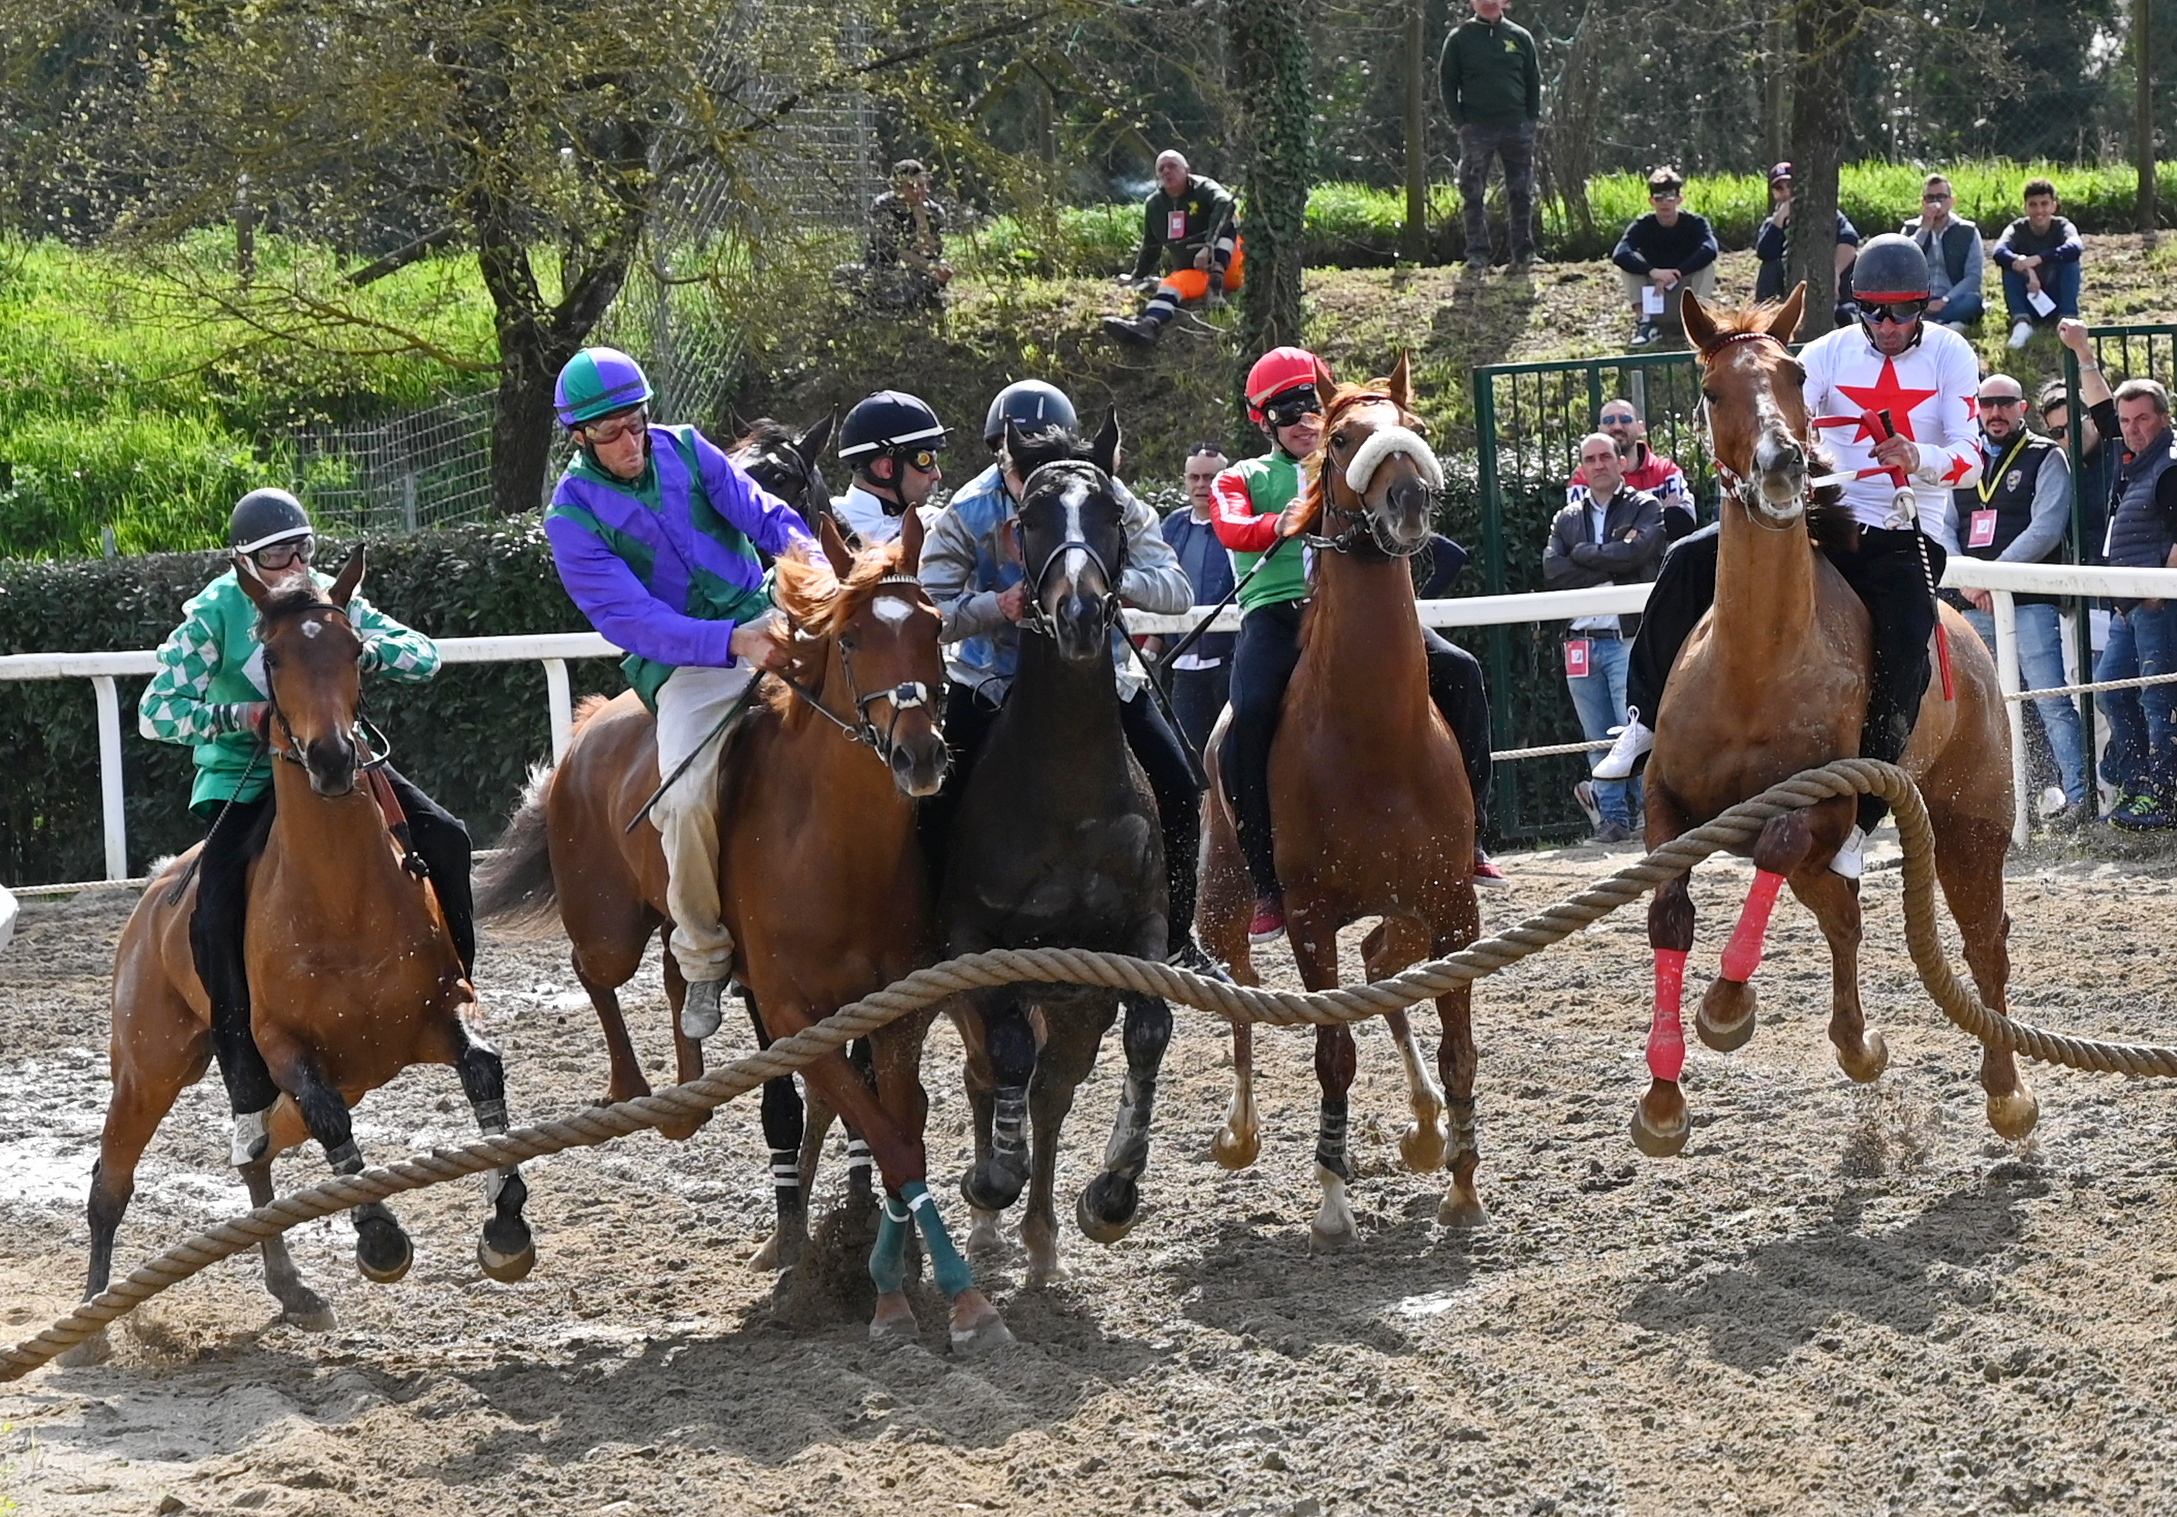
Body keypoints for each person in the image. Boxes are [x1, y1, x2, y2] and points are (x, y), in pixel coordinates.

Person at [1592, 233, 1983, 877]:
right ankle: (1642, 723)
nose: (1888, 325)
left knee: (1908, 632)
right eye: (1875, 311)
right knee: (1687, 559)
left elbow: (1972, 457)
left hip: (1903, 526)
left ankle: (1862, 816)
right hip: (1819, 519)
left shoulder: (1951, 353)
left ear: (1923, 307)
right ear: (1858, 307)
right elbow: (1779, 408)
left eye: (1904, 311)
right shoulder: (1823, 354)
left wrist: (1921, 457)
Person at [139, 487, 471, 1169]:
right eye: (276, 555)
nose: (294, 565)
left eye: (302, 549)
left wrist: (356, 650)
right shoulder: (212, 613)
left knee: (448, 835)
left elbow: (425, 656)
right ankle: (247, 1089)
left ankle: (457, 984)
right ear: (245, 562)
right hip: (245, 782)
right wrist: (242, 717)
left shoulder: (330, 600)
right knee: (213, 915)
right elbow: (155, 712)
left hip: (336, 764)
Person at [543, 347, 819, 1040]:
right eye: (610, 433)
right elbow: (632, 620)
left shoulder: (690, 450)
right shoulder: (571, 518)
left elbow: (768, 517)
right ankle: (700, 954)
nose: (630, 442)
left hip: (765, 614)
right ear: (579, 437)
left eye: (636, 422)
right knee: (685, 798)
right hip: (684, 663)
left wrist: (813, 574)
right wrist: (734, 641)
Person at [917, 381, 1230, 978]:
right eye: (1022, 465)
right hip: (992, 679)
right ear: (1001, 456)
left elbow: (1176, 589)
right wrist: (992, 606)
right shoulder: (966, 511)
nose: (1039, 475)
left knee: (1179, 782)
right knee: (932, 800)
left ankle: (1176, 939)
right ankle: (930, 935)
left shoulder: (1107, 496)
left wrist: (1113, 578)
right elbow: (928, 612)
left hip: (1099, 677)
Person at [1212, 347, 1505, 942]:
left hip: (1351, 617)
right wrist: (1277, 522)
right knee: (1251, 714)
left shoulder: (1354, 462)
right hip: (1276, 617)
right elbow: (1228, 525)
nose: (1303, 420)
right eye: (1286, 410)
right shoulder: (1240, 476)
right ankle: (1267, 877)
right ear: (1262, 420)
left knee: (1461, 670)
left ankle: (1473, 833)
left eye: (1310, 406)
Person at [1948, 371, 2089, 824]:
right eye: (1987, 404)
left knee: (2050, 700)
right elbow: (1943, 525)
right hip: (1973, 603)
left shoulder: (2046, 456)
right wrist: (1970, 579)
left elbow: (2047, 527)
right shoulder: (1963, 458)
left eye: (2005, 403)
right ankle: (2007, 801)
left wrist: (1993, 577)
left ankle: (2080, 798)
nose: (1995, 412)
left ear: (2022, 408)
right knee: (1987, 706)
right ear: (1976, 409)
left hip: (2028, 602)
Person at [2057, 321, 2177, 828]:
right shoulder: (2138, 456)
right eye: (2127, 420)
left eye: (2142, 418)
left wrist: (2159, 592)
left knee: (2159, 697)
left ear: (2164, 418)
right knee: (2112, 689)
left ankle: (2162, 795)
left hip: (2155, 604)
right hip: (2131, 606)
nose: (2131, 427)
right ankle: (2135, 782)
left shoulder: (2170, 462)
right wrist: (2083, 353)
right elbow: (2102, 411)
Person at [1544, 433, 1666, 843]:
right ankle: (1613, 820)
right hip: (1579, 642)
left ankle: (1654, 816)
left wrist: (1580, 553)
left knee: (1637, 733)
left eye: (1605, 457)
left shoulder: (1645, 506)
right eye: (1590, 459)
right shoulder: (1565, 518)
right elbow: (1553, 571)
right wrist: (1611, 560)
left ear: (1620, 462)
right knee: (1597, 739)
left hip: (1625, 639)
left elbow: (1637, 555)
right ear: (1582, 467)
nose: (1598, 465)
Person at [1101, 151, 1241, 348]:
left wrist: (1208, 246)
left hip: (1232, 267)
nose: (1167, 171)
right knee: (1172, 284)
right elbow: (1151, 246)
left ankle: (1215, 288)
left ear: (1187, 170)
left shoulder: (1203, 188)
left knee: (1230, 218)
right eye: (1161, 168)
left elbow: (1226, 203)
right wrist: (1136, 277)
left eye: (1172, 166)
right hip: (1196, 272)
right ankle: (1147, 325)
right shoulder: (1155, 204)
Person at [1439, 0, 1541, 271]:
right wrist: (1461, 123)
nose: (1488, 2)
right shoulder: (1459, 39)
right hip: (1476, 128)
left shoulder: (1521, 37)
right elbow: (1447, 84)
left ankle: (1524, 253)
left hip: (1517, 127)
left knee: (1521, 191)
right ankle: (1477, 254)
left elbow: (1533, 81)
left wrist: (1531, 119)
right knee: (1472, 192)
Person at [1157, 443, 1238, 758]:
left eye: (1210, 477)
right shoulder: (1172, 525)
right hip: (1182, 664)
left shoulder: (1239, 523)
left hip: (1230, 661)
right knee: (1188, 755)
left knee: (1231, 753)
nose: (1202, 485)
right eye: (1194, 477)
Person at [1613, 168, 1719, 348]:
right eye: (1659, 198)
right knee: (1630, 262)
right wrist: (1653, 272)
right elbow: (1620, 253)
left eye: (1669, 198)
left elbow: (1710, 249)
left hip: (1684, 297)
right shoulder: (1642, 225)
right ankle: (1646, 324)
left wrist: (1677, 273)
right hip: (1655, 296)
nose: (1665, 204)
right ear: (1651, 201)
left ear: (1679, 199)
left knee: (1707, 267)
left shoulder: (1695, 223)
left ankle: (1698, 323)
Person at [833, 390, 949, 547]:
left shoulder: (937, 521)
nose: (937, 475)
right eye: (925, 460)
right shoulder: (822, 529)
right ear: (887, 468)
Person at [839, 160, 953, 313]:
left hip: (919, 270)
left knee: (941, 270)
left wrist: (921, 217)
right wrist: (928, 265)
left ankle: (916, 301)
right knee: (842, 274)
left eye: (921, 185)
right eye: (911, 186)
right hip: (885, 270)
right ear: (897, 188)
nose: (918, 191)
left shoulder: (935, 211)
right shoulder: (884, 207)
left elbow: (930, 252)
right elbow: (895, 251)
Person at [1754, 162, 1859, 325]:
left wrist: (1834, 273)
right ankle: (1767, 316)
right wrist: (1779, 219)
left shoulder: (1827, 216)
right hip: (1787, 287)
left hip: (1828, 281)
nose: (1786, 193)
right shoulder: (1772, 224)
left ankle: (1848, 311)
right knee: (1769, 265)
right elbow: (1765, 253)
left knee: (1851, 258)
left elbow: (1850, 239)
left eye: (1790, 186)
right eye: (1779, 188)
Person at [1576, 398, 1697, 539]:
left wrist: (1617, 526)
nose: (1617, 426)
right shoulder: (1585, 476)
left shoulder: (1665, 471)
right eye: (1609, 421)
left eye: (1625, 419)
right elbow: (1581, 533)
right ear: (1599, 430)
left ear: (1641, 428)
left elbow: (1684, 523)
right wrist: (1658, 513)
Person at [1992, 178, 2084, 350]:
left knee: (2070, 262)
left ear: (2054, 206)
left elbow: (2075, 247)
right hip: (2029, 297)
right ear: (2025, 207)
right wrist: (2026, 267)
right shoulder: (2017, 228)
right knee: (2011, 264)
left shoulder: (2062, 226)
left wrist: (2038, 259)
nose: (2039, 210)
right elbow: (1999, 252)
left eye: (2044, 204)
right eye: (2033, 205)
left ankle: (2068, 318)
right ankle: (2021, 323)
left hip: (2056, 297)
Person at [1901, 173, 1984, 332]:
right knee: (1897, 306)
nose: (1936, 203)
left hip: (1952, 298)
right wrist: (1923, 230)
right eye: (1930, 198)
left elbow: (1974, 277)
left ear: (1951, 201)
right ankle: (1946, 324)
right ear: (1923, 202)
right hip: (1918, 300)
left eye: (1941, 197)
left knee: (1973, 301)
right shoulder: (1911, 229)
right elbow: (1902, 264)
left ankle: (1930, 324)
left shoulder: (1967, 231)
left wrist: (1945, 300)